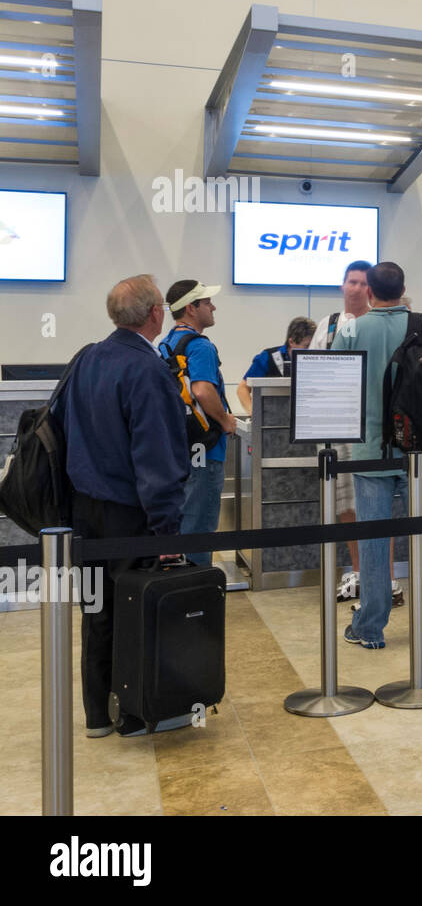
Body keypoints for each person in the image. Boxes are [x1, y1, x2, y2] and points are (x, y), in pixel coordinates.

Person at [56, 275, 189, 738]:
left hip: (84, 511)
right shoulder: (147, 371)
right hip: (130, 516)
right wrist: (167, 531)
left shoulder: (87, 357)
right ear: (156, 314)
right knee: (135, 609)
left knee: (97, 610)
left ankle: (97, 714)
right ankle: (134, 713)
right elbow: (157, 459)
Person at [330, 262, 422, 647]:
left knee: (374, 541)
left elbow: (335, 384)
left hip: (370, 451)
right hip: (420, 451)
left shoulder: (352, 329)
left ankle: (370, 627)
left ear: (369, 292)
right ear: (403, 289)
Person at [304, 260, 400, 605]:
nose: (356, 288)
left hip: (374, 430)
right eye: (351, 282)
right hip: (337, 427)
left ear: (371, 289)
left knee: (376, 505)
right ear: (342, 286)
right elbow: (314, 372)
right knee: (345, 504)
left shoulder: (384, 324)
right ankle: (360, 574)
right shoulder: (329, 326)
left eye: (362, 283)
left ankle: (387, 580)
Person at [158, 280, 237, 566]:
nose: (213, 306)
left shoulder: (165, 344)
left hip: (178, 447)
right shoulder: (200, 345)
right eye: (207, 303)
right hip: (206, 447)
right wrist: (225, 419)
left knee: (182, 522)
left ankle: (179, 584)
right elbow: (203, 390)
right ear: (191, 308)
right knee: (200, 527)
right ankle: (196, 595)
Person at [235, 316, 316, 412]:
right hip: (271, 420)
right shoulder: (267, 357)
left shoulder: (316, 361)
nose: (310, 351)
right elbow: (242, 389)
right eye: (306, 346)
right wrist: (253, 413)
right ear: (291, 342)